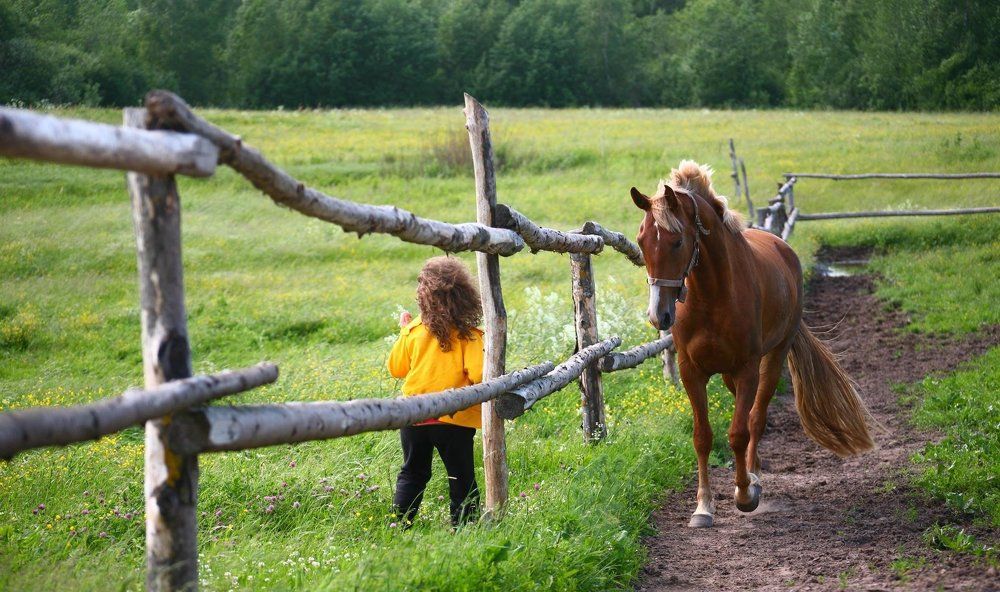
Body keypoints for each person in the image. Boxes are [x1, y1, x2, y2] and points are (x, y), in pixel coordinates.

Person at [388, 256, 483, 528]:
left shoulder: (415, 330)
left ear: (423, 296)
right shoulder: (469, 335)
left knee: (412, 473)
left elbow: (396, 368)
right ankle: (465, 531)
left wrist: (404, 333)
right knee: (461, 477)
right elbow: (478, 376)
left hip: (414, 415)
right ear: (464, 296)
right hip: (453, 418)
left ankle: (398, 526)